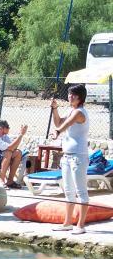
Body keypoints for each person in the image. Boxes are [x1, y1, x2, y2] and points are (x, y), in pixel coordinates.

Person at [51, 85, 90, 235]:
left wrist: (58, 132)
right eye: (69, 94)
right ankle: (67, 223)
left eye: (73, 95)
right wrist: (55, 109)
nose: (70, 97)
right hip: (67, 155)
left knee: (81, 191)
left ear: (80, 97)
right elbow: (59, 122)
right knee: (68, 191)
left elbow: (67, 124)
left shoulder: (80, 112)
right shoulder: (71, 110)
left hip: (78, 156)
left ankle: (80, 225)